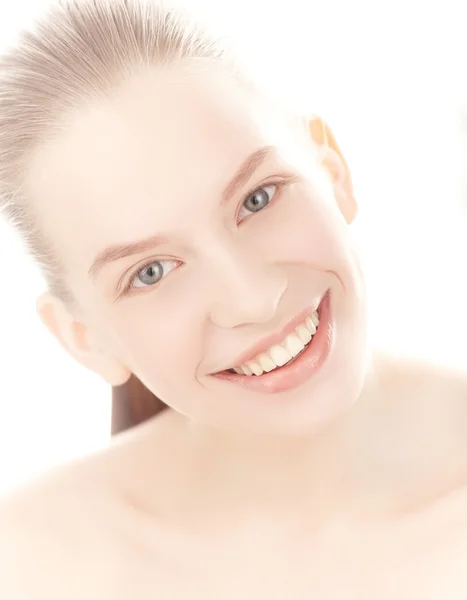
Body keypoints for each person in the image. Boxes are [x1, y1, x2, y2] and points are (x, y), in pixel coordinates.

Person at [0, 1, 466, 598]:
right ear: (83, 338)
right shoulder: (28, 566)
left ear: (335, 173)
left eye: (258, 199)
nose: (253, 299)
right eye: (152, 272)